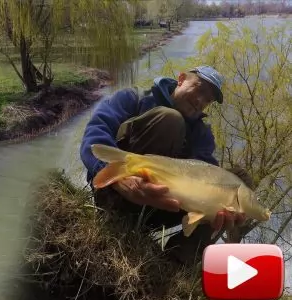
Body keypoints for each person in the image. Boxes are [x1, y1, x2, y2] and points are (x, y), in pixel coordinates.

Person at [79, 65, 251, 265]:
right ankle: (118, 217)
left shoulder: (202, 136)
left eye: (208, 100)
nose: (201, 101)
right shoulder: (134, 98)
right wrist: (119, 180)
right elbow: (94, 136)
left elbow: (208, 175)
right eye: (200, 89)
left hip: (163, 206)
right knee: (171, 119)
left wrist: (220, 207)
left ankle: (177, 260)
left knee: (239, 182)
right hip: (117, 191)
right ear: (181, 79)